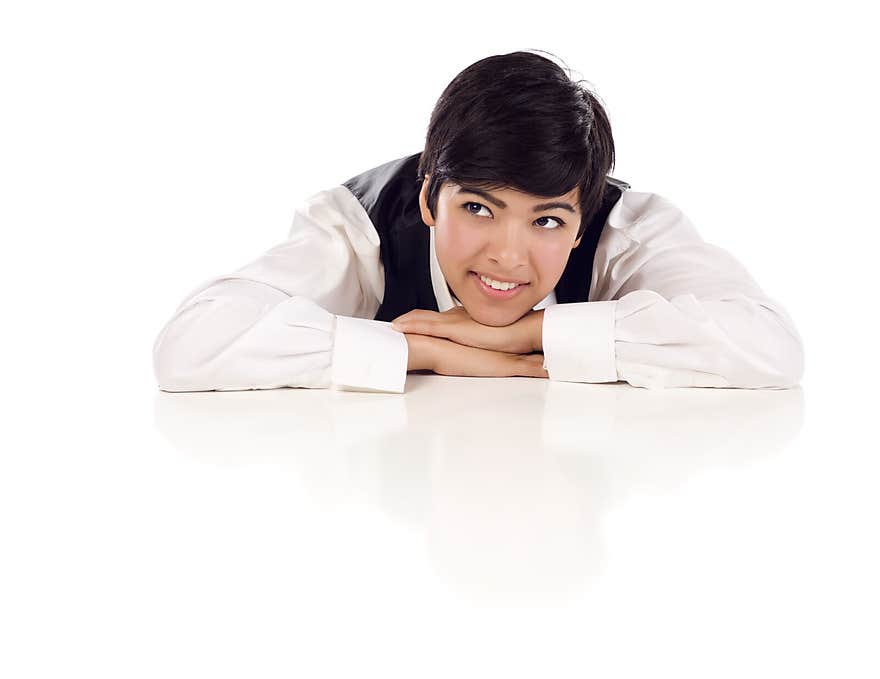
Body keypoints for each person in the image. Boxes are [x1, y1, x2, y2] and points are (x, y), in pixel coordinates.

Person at [152, 50, 804, 394]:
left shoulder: (629, 228)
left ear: (581, 221)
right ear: (429, 196)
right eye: (478, 209)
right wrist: (421, 347)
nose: (509, 256)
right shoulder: (357, 226)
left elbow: (771, 346)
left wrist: (527, 336)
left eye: (547, 221)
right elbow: (190, 344)